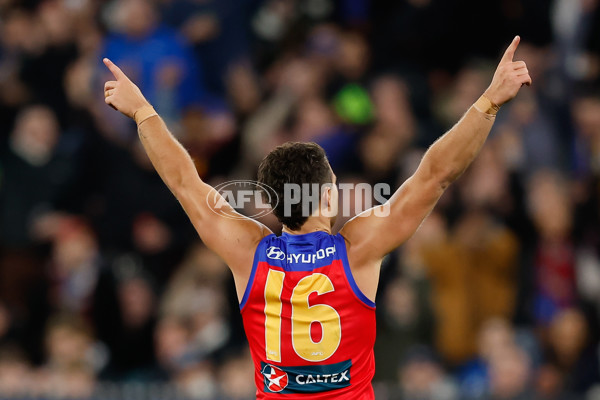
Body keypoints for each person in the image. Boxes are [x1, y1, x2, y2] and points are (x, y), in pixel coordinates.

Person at [102, 36, 532, 399]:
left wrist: (143, 110)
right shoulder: (359, 248)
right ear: (328, 194)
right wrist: (488, 103)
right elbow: (435, 175)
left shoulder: (248, 251)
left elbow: (184, 181)